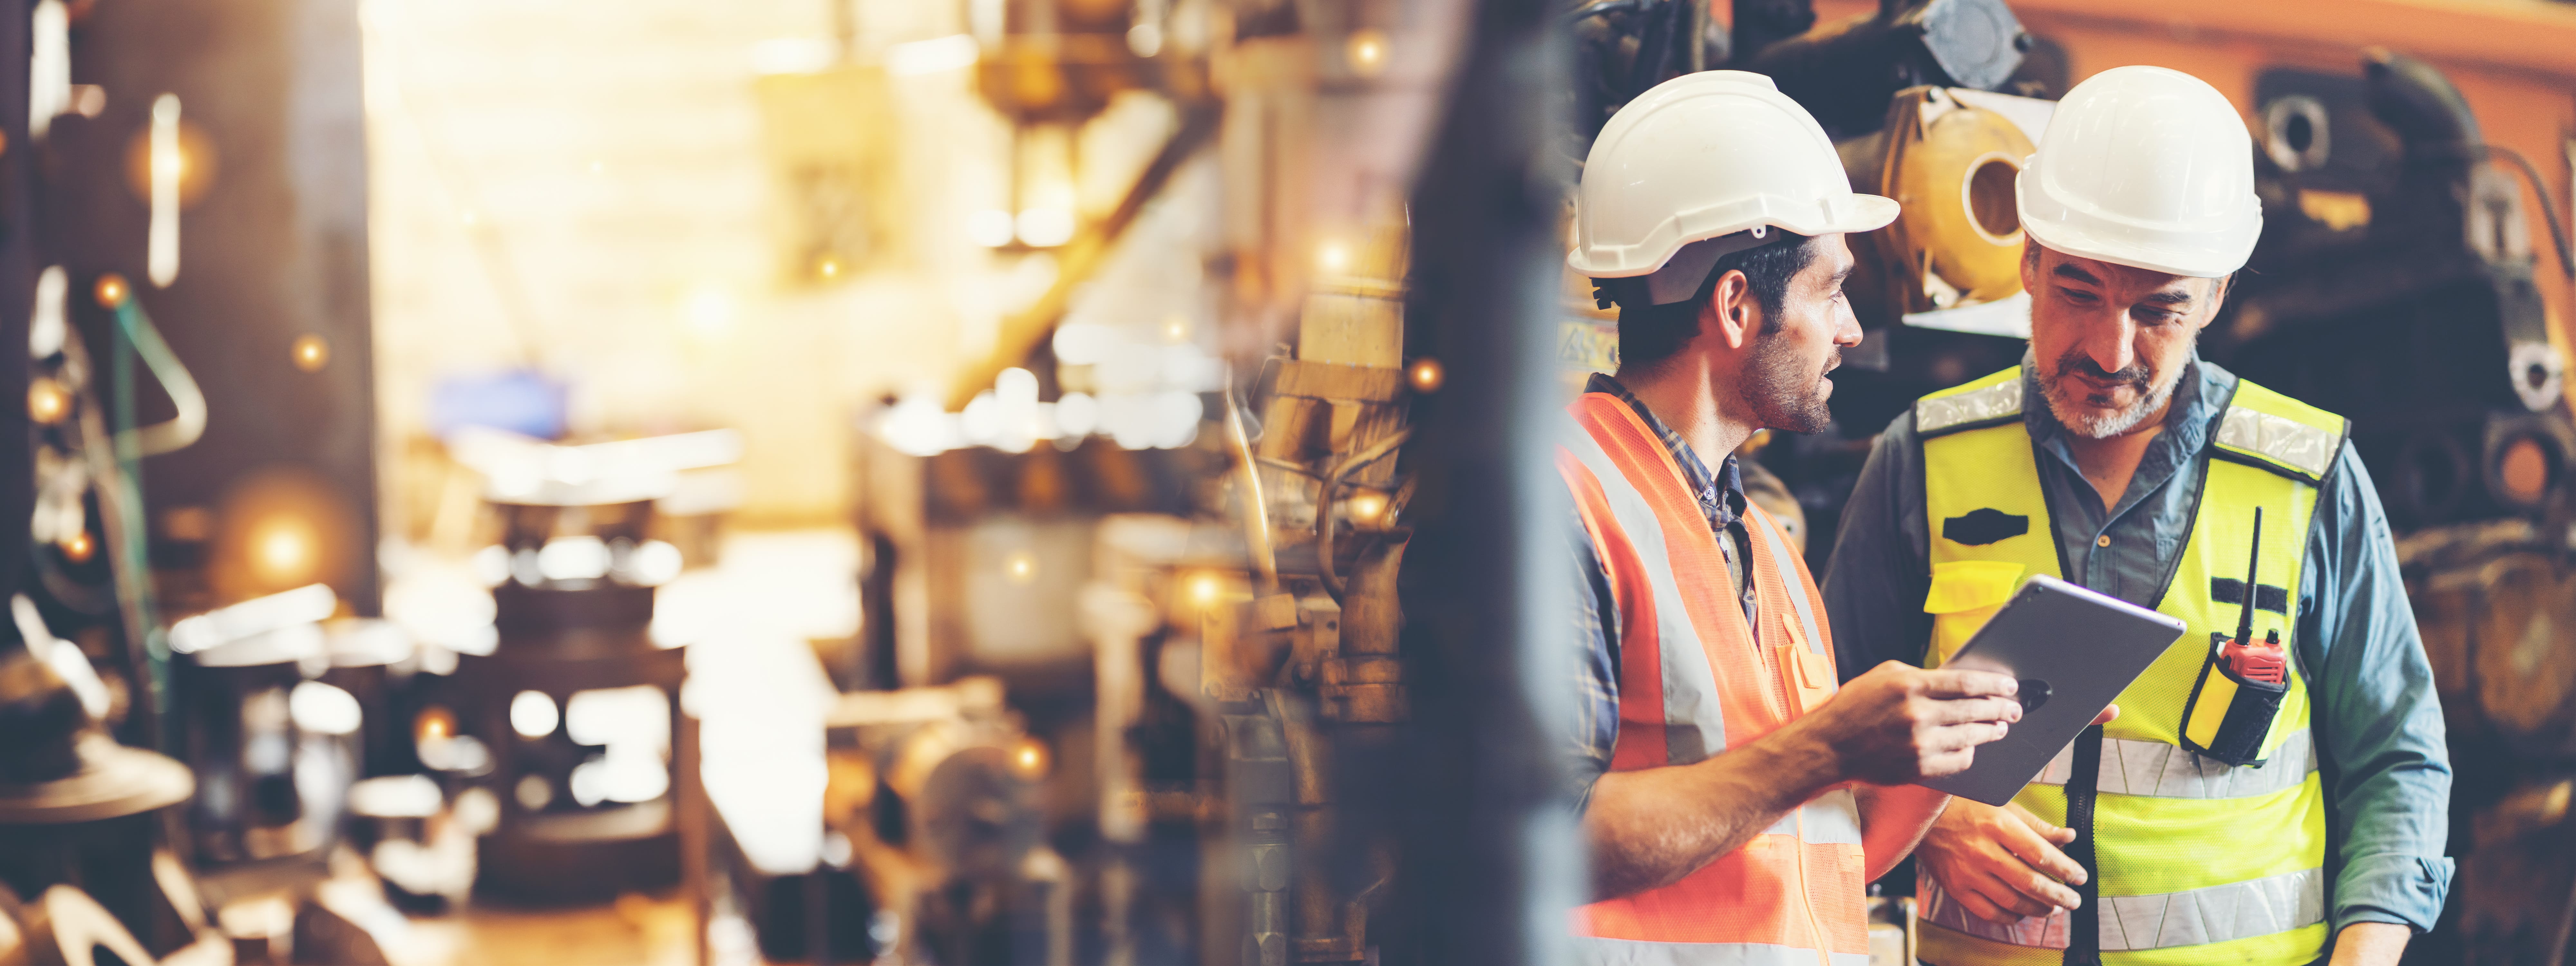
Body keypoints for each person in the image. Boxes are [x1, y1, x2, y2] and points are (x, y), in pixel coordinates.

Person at [1822, 66, 2452, 966]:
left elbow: (2399, 760)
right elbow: (1820, 729)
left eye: (2157, 309)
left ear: (2218, 295)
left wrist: (2367, 954)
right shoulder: (1921, 459)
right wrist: (1931, 824)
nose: (2109, 351)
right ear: (2030, 258)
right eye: (2079, 291)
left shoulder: (2308, 478)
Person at [1562, 70, 2060, 965]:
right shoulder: (1565, 496)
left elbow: (1827, 853)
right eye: (1831, 291)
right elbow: (1539, 842)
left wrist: (1960, 745)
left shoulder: (1765, 548)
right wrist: (1826, 746)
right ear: (1737, 305)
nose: (1852, 330)